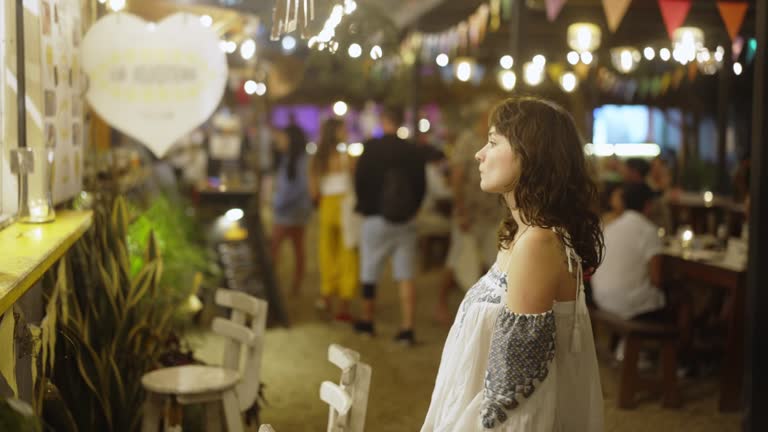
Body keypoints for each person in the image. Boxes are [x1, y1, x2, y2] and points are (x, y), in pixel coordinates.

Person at [422, 97, 605, 431]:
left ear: (530, 155)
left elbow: (516, 398)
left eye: (492, 142)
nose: (479, 154)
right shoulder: (519, 235)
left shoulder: (538, 243)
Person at [353, 107, 443, 345]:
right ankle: (407, 328)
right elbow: (422, 186)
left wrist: (365, 205)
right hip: (406, 220)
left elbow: (359, 181)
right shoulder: (412, 151)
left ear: (383, 121)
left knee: (369, 271)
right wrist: (412, 209)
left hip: (374, 217)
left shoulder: (371, 148)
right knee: (405, 274)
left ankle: (367, 321)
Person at [436, 115, 504, 325]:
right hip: (471, 214)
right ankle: (442, 304)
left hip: (491, 214)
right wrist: (461, 211)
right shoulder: (468, 140)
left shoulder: (497, 140)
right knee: (457, 259)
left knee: (492, 263)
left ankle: (480, 311)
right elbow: (457, 177)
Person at [309, 118, 358, 322]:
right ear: (336, 131)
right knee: (348, 253)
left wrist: (319, 200)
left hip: (327, 205)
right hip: (346, 205)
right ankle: (344, 302)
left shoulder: (319, 158)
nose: (346, 131)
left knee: (326, 251)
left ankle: (326, 294)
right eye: (343, 128)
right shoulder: (347, 156)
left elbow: (312, 188)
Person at [271, 118, 312, 294]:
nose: (279, 141)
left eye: (282, 138)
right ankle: (292, 285)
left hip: (289, 211)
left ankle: (286, 285)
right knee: (296, 249)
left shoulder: (300, 161)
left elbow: (301, 188)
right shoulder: (290, 159)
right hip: (294, 211)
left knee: (278, 248)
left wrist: (278, 202)